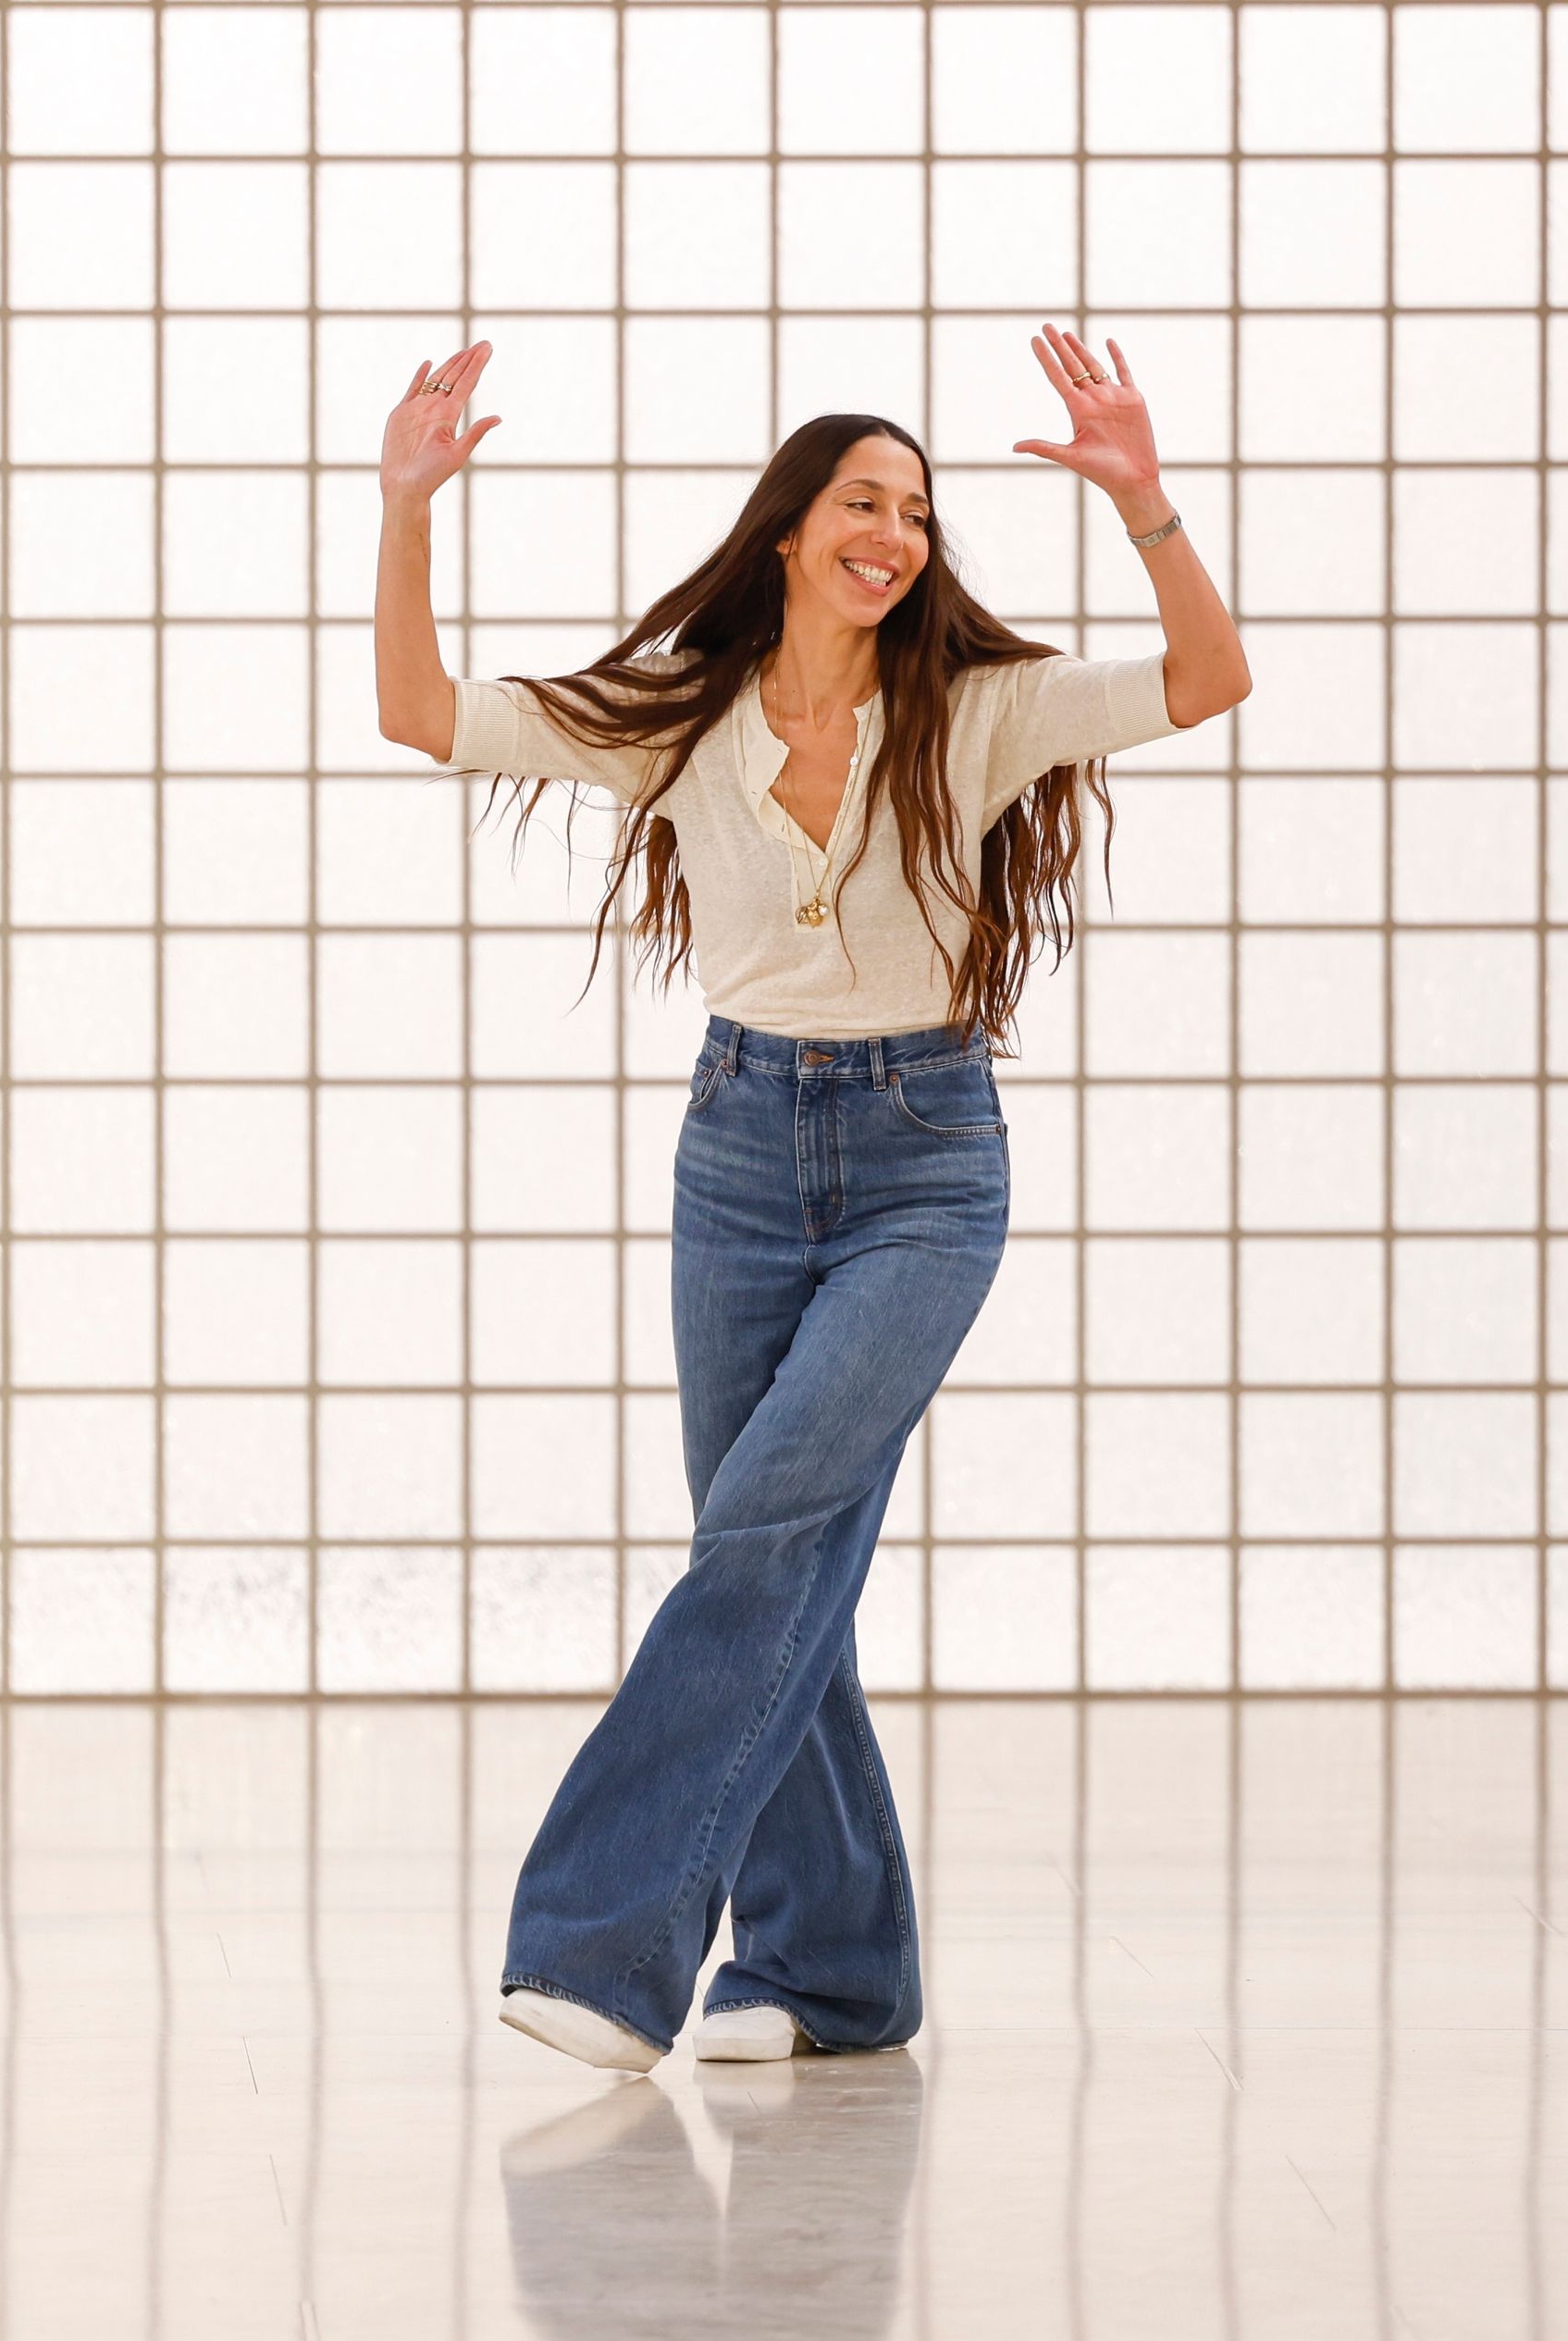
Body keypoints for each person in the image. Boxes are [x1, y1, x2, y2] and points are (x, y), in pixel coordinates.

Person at [373, 328, 1248, 2071]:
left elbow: (1206, 680)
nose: (900, 533)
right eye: (866, 500)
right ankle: (832, 1974)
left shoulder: (980, 709)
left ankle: (601, 1952)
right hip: (742, 1154)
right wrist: (404, 513)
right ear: (790, 530)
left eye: (919, 512)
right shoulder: (685, 713)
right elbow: (422, 715)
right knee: (776, 1559)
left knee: (768, 1530)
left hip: (926, 1163)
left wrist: (1145, 502)